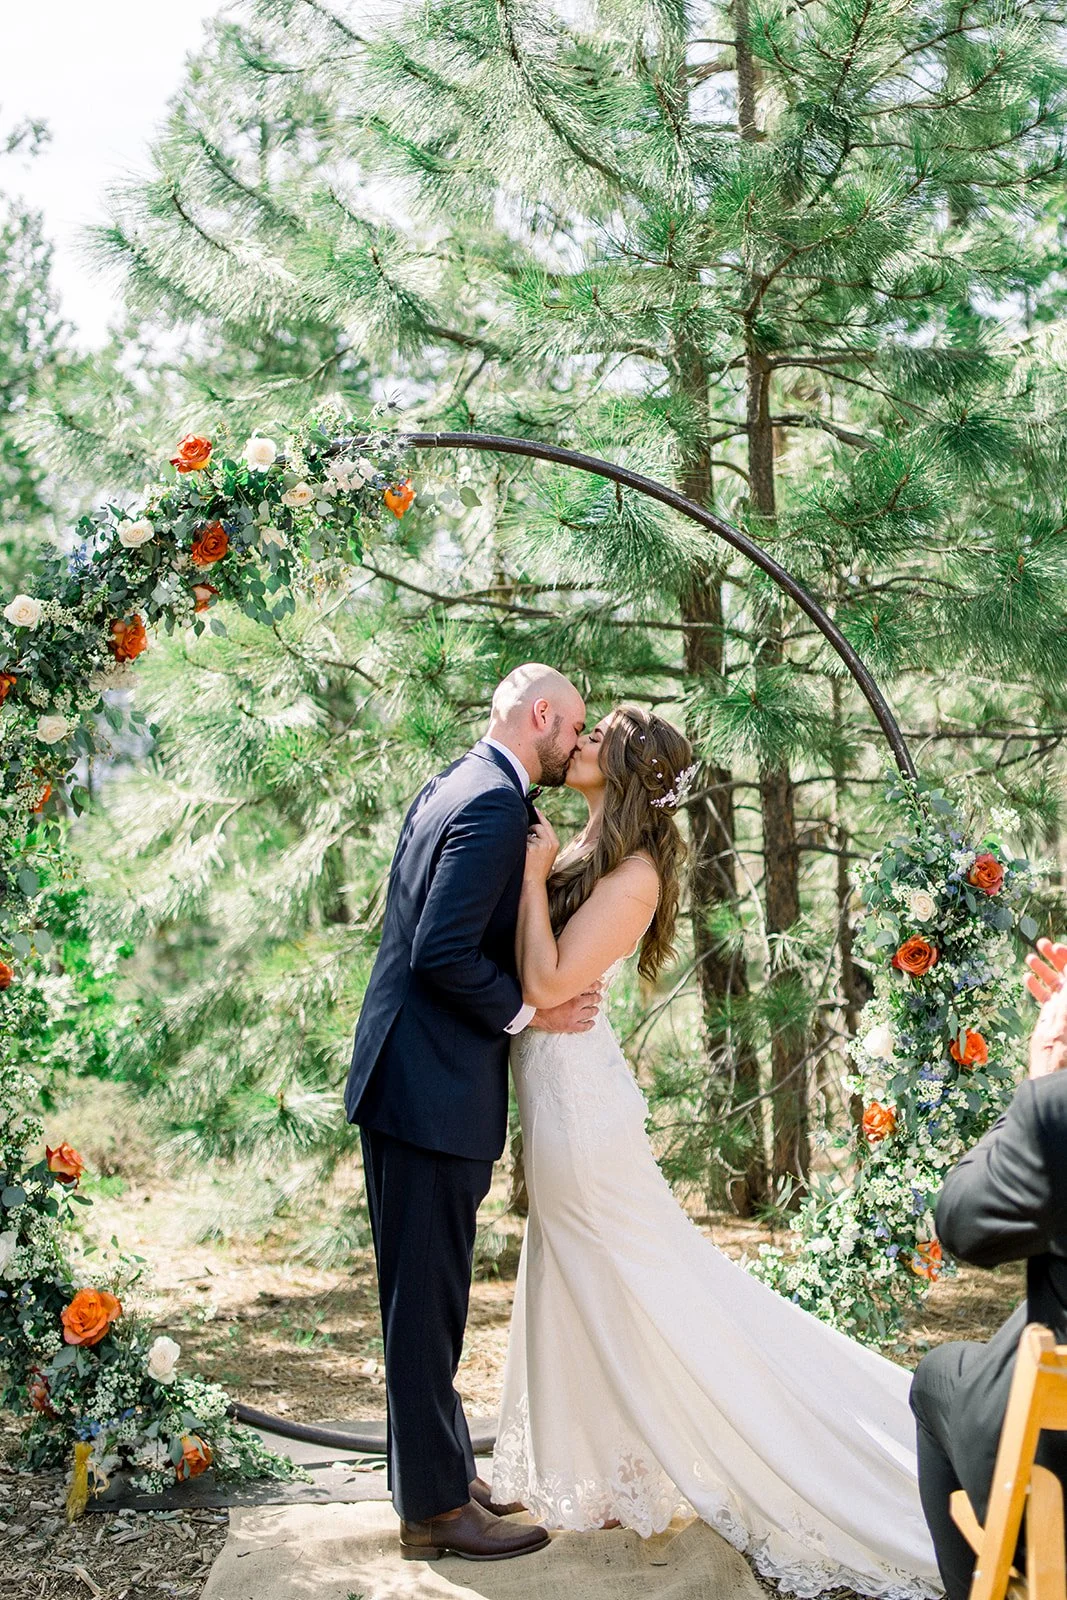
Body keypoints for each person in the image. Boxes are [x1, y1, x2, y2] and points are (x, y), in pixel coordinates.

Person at [490, 703, 942, 1598]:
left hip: (581, 1108)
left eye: (593, 739)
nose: (574, 743)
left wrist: (530, 875)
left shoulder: (634, 878)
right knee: (580, 1282)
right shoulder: (590, 849)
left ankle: (788, 1448)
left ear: (618, 771)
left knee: (647, 1288)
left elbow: (547, 981)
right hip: (553, 1088)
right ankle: (614, 1474)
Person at [345, 663, 602, 1562]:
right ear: (542, 716)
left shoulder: (455, 780)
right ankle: (434, 1514)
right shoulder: (493, 805)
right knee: (427, 1306)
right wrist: (533, 1010)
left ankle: (439, 1471)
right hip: (429, 1088)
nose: (576, 745)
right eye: (573, 729)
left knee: (422, 1297)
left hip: (403, 1077)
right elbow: (440, 953)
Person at [909, 937, 1067, 1600]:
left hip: (1057, 1484)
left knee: (935, 1377)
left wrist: (1043, 1078)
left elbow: (964, 1224)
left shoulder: (1057, 1111)